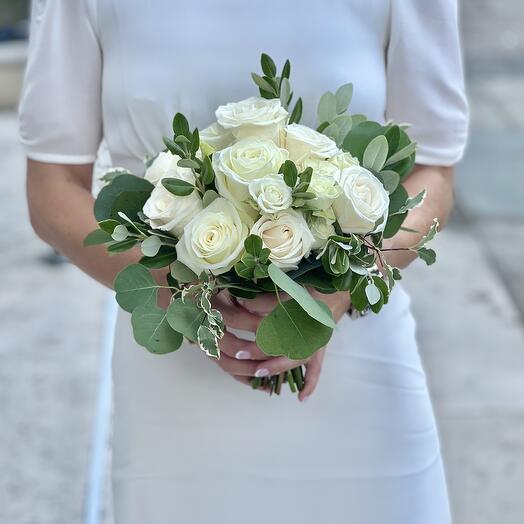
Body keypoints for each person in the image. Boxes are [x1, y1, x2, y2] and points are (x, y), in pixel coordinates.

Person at [19, 1, 468, 522]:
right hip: (175, 391)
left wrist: (335, 292)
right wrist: (188, 297)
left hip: (359, 367)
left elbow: (434, 172)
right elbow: (52, 190)